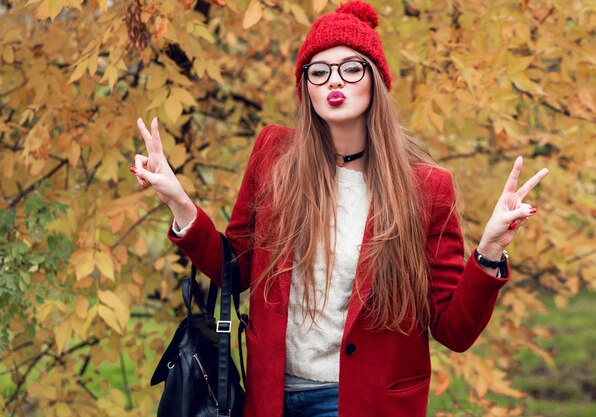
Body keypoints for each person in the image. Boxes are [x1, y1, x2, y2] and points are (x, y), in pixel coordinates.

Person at [130, 1, 549, 416]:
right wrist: (179, 201)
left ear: (375, 81)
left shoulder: (425, 189)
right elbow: (235, 269)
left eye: (351, 68)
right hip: (271, 396)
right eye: (319, 70)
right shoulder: (275, 155)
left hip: (359, 401)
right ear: (306, 87)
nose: (335, 81)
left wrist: (490, 249)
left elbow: (453, 331)